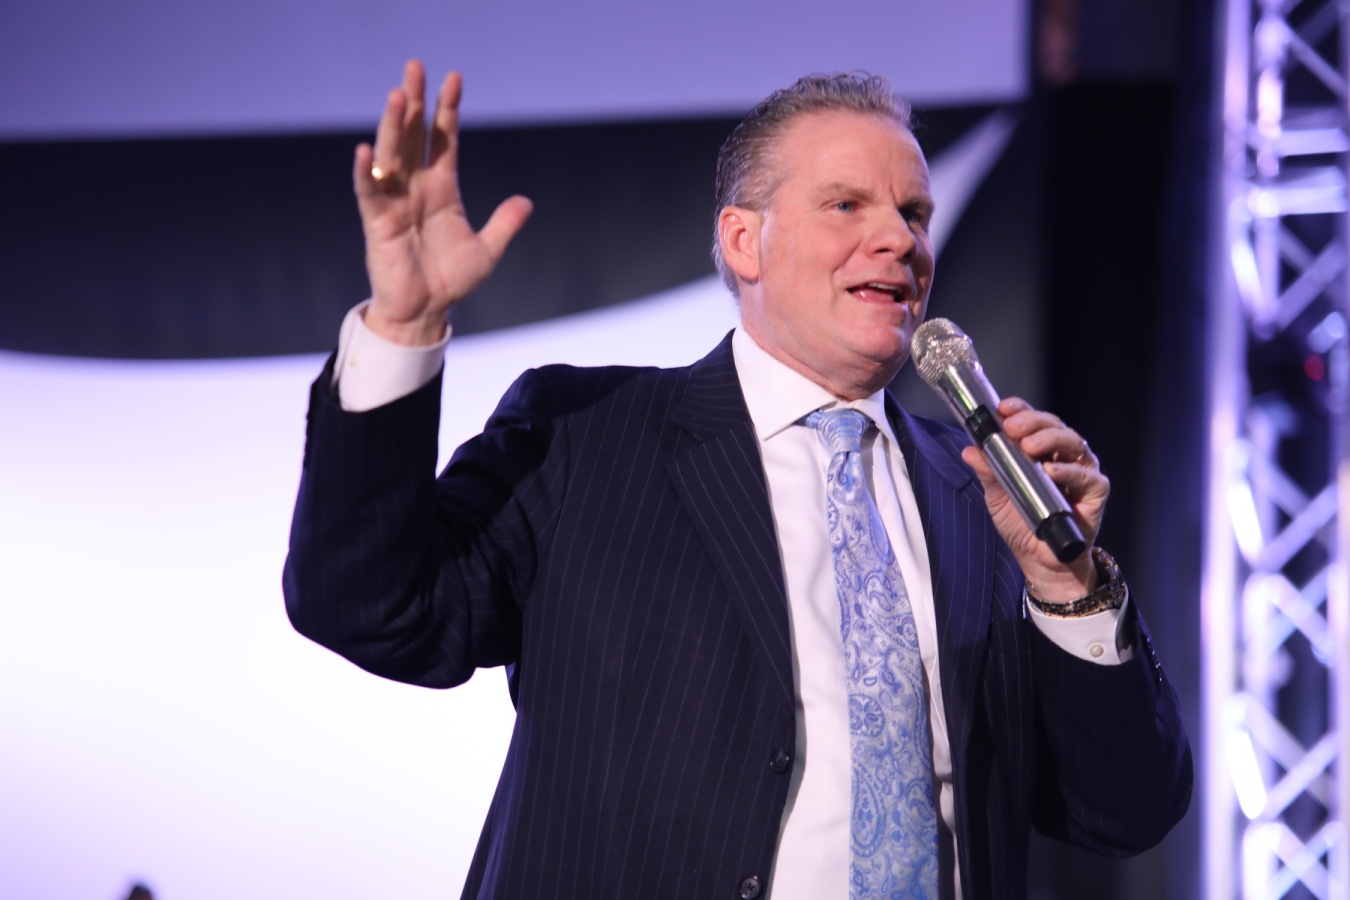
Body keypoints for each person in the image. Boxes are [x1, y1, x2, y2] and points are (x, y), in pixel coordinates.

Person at [284, 60, 1191, 900]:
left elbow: (1123, 809)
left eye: (915, 213)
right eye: (846, 205)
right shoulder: (584, 435)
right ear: (744, 240)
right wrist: (403, 327)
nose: (898, 239)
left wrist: (1067, 586)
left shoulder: (982, 500)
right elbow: (374, 609)